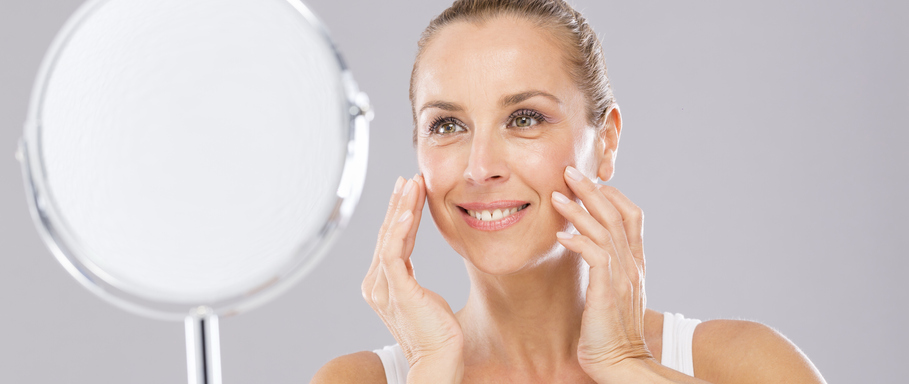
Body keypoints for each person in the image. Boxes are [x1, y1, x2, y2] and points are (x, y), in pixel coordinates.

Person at [313, 0, 827, 382]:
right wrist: (431, 368)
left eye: (525, 118)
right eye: (447, 125)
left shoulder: (743, 365)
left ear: (605, 142)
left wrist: (625, 363)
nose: (481, 167)